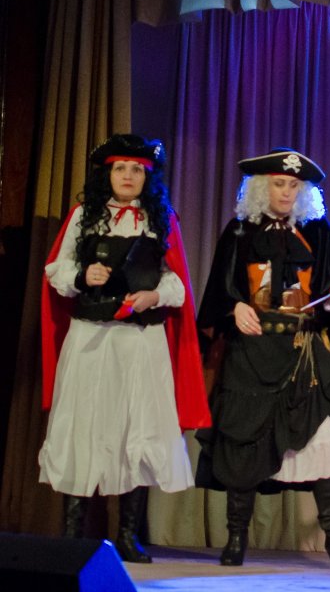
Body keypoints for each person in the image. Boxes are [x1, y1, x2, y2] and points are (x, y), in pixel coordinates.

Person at [39, 134, 210, 563]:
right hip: (91, 337)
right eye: (120, 168)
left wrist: (155, 295)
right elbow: (57, 270)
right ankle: (74, 533)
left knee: (139, 427)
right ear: (108, 174)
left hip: (140, 341)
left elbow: (176, 281)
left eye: (137, 170)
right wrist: (83, 276)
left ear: (147, 177)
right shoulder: (84, 216)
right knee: (85, 424)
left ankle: (129, 535)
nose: (128, 176)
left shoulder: (160, 218)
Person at [195, 148, 330, 570]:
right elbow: (218, 292)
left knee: (323, 440)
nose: (286, 192)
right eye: (278, 183)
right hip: (251, 354)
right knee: (244, 440)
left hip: (303, 353)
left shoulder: (318, 231)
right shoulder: (239, 230)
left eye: (293, 185)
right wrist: (234, 307)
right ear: (261, 187)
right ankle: (236, 538)